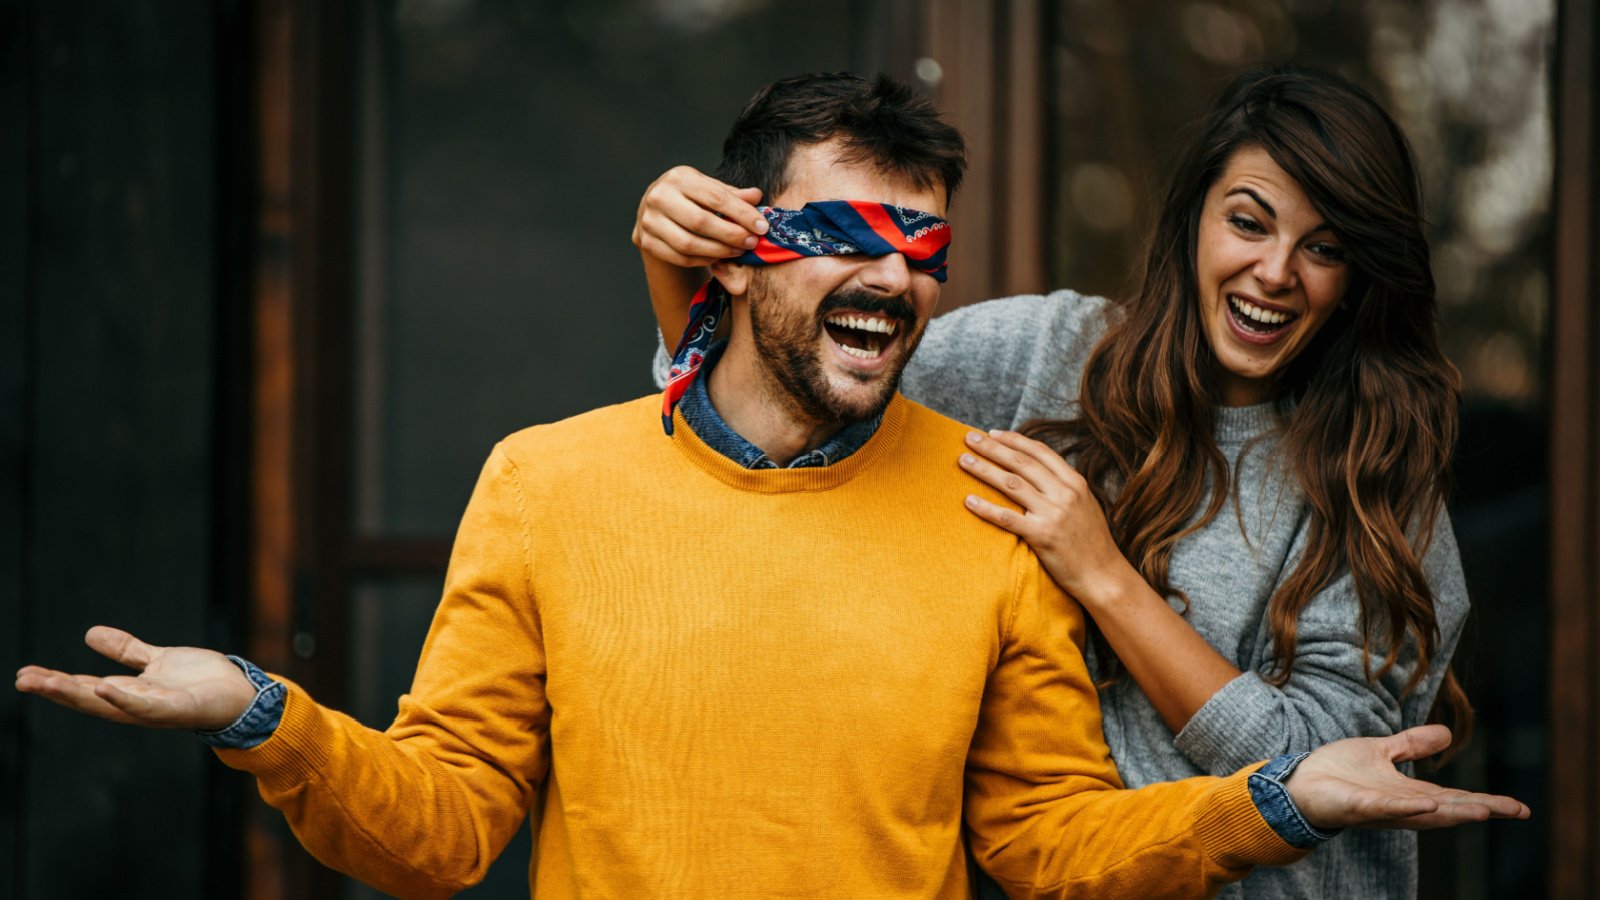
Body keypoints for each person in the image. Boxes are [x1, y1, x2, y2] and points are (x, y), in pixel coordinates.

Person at [17, 73, 1523, 900]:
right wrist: (263, 717)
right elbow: (448, 822)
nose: (892, 284)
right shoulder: (548, 484)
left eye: (924, 253)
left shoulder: (992, 501)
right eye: (846, 238)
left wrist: (1275, 798)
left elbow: (1049, 842)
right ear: (738, 251)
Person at [633, 66, 1474, 898]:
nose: (1276, 271)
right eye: (1248, 223)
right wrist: (682, 269)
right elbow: (783, 405)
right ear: (1193, 221)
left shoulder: (1382, 480)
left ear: (1360, 274)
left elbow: (1319, 775)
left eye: (1324, 248)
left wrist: (1103, 575)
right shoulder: (1040, 356)